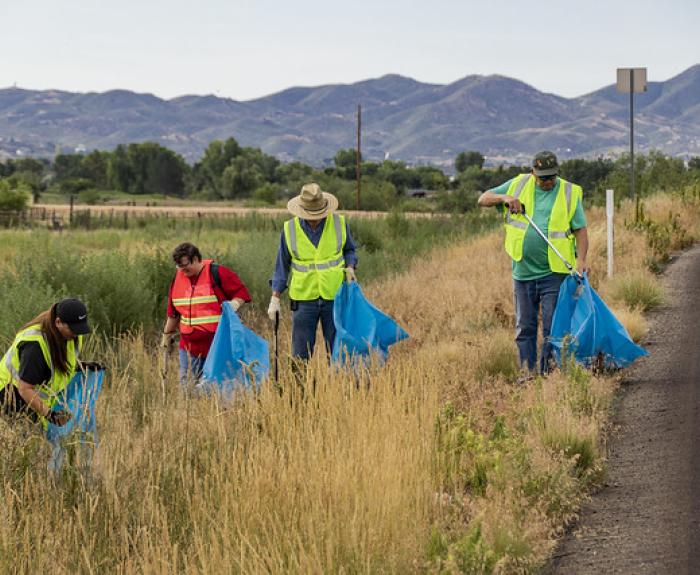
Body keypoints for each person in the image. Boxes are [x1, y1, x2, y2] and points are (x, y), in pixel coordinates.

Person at [477, 151, 589, 376]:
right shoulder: (518, 184)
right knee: (525, 327)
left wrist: (582, 261)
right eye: (543, 178)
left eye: (551, 177)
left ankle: (549, 374)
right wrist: (505, 198)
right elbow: (483, 199)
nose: (547, 182)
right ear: (533, 173)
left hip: (554, 273)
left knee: (552, 327)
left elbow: (581, 230)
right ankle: (527, 374)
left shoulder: (568, 192)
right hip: (523, 273)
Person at [267, 183, 358, 361]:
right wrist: (275, 297)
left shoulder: (339, 224)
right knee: (300, 354)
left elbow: (350, 250)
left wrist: (350, 266)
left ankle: (339, 386)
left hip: (335, 297)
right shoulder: (289, 229)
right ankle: (301, 387)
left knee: (338, 351)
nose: (314, 219)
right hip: (303, 301)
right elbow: (282, 264)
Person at [163, 242, 252, 387]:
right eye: (179, 266)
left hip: (218, 346)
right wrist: (166, 336)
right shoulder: (177, 280)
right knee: (187, 389)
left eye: (186, 265)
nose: (183, 269)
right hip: (189, 347)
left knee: (218, 388)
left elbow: (241, 293)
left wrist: (235, 304)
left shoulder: (218, 273)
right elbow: (173, 314)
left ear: (197, 259)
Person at [0, 298, 91, 426]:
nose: (77, 334)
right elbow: (25, 389)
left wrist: (81, 365)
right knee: (29, 440)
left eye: (80, 328)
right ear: (58, 322)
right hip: (10, 393)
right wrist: (50, 415)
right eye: (73, 329)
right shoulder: (34, 347)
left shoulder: (72, 334)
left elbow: (57, 361)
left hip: (30, 392)